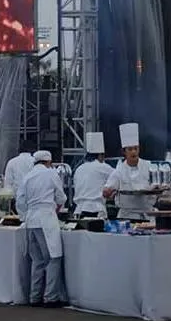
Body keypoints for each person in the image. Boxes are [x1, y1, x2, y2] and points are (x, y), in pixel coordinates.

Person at [16, 150, 66, 308]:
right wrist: (56, 206)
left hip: (31, 221)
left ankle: (34, 296)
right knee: (53, 258)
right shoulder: (51, 174)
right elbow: (61, 197)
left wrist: (25, 216)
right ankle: (50, 297)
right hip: (46, 219)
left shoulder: (27, 177)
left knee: (37, 260)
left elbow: (20, 201)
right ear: (49, 162)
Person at [103, 123, 155, 221]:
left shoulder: (148, 166)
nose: (133, 152)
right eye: (130, 149)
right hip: (126, 217)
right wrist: (107, 191)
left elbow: (157, 185)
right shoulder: (119, 170)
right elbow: (107, 189)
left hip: (147, 215)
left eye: (135, 148)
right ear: (124, 152)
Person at [73, 132, 114, 219]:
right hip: (96, 210)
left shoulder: (79, 169)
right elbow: (118, 178)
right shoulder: (103, 166)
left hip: (79, 211)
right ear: (100, 155)